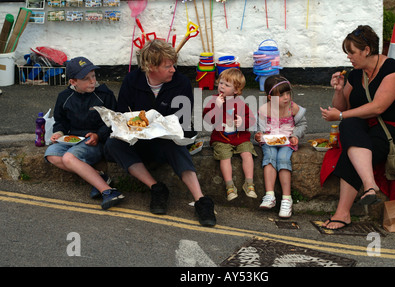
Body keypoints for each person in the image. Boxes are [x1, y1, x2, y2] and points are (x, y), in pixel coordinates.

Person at [104, 39, 216, 227]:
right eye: (168, 66)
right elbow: (123, 114)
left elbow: (182, 119)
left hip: (165, 141)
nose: (173, 69)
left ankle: (201, 200)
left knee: (176, 144)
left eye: (173, 65)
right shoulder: (132, 81)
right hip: (138, 141)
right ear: (150, 66)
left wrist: (160, 127)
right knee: (112, 144)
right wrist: (136, 127)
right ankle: (156, 188)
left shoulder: (181, 83)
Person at [319, 25, 395, 230]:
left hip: (391, 129)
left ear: (367, 49)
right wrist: (338, 91)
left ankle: (343, 212)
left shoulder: (393, 69)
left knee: (351, 148)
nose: (348, 57)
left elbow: (378, 107)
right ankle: (369, 185)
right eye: (347, 52)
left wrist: (340, 115)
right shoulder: (356, 74)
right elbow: (342, 107)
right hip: (366, 126)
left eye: (352, 52)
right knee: (348, 125)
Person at [45, 57, 124, 210]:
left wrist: (98, 135)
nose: (92, 81)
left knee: (69, 158)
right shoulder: (64, 97)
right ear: (73, 82)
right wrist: (58, 133)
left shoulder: (104, 95)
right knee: (51, 154)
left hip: (96, 142)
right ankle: (99, 177)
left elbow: (113, 121)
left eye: (93, 76)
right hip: (73, 140)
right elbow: (60, 120)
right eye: (86, 79)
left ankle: (108, 192)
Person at [255, 75, 307, 218]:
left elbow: (302, 124)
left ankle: (286, 198)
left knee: (283, 159)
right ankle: (270, 195)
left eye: (288, 93)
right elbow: (259, 127)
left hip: (287, 141)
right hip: (270, 141)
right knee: (270, 157)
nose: (286, 97)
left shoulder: (293, 108)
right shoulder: (265, 110)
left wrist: (295, 135)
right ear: (270, 97)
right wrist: (259, 134)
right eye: (281, 95)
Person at [202, 68, 257, 201]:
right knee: (225, 157)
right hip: (221, 138)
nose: (222, 87)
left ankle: (249, 183)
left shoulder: (241, 104)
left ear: (236, 90)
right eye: (221, 83)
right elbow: (208, 120)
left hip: (240, 138)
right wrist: (218, 107)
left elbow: (252, 120)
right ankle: (229, 186)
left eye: (227, 85)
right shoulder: (213, 101)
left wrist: (243, 122)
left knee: (247, 153)